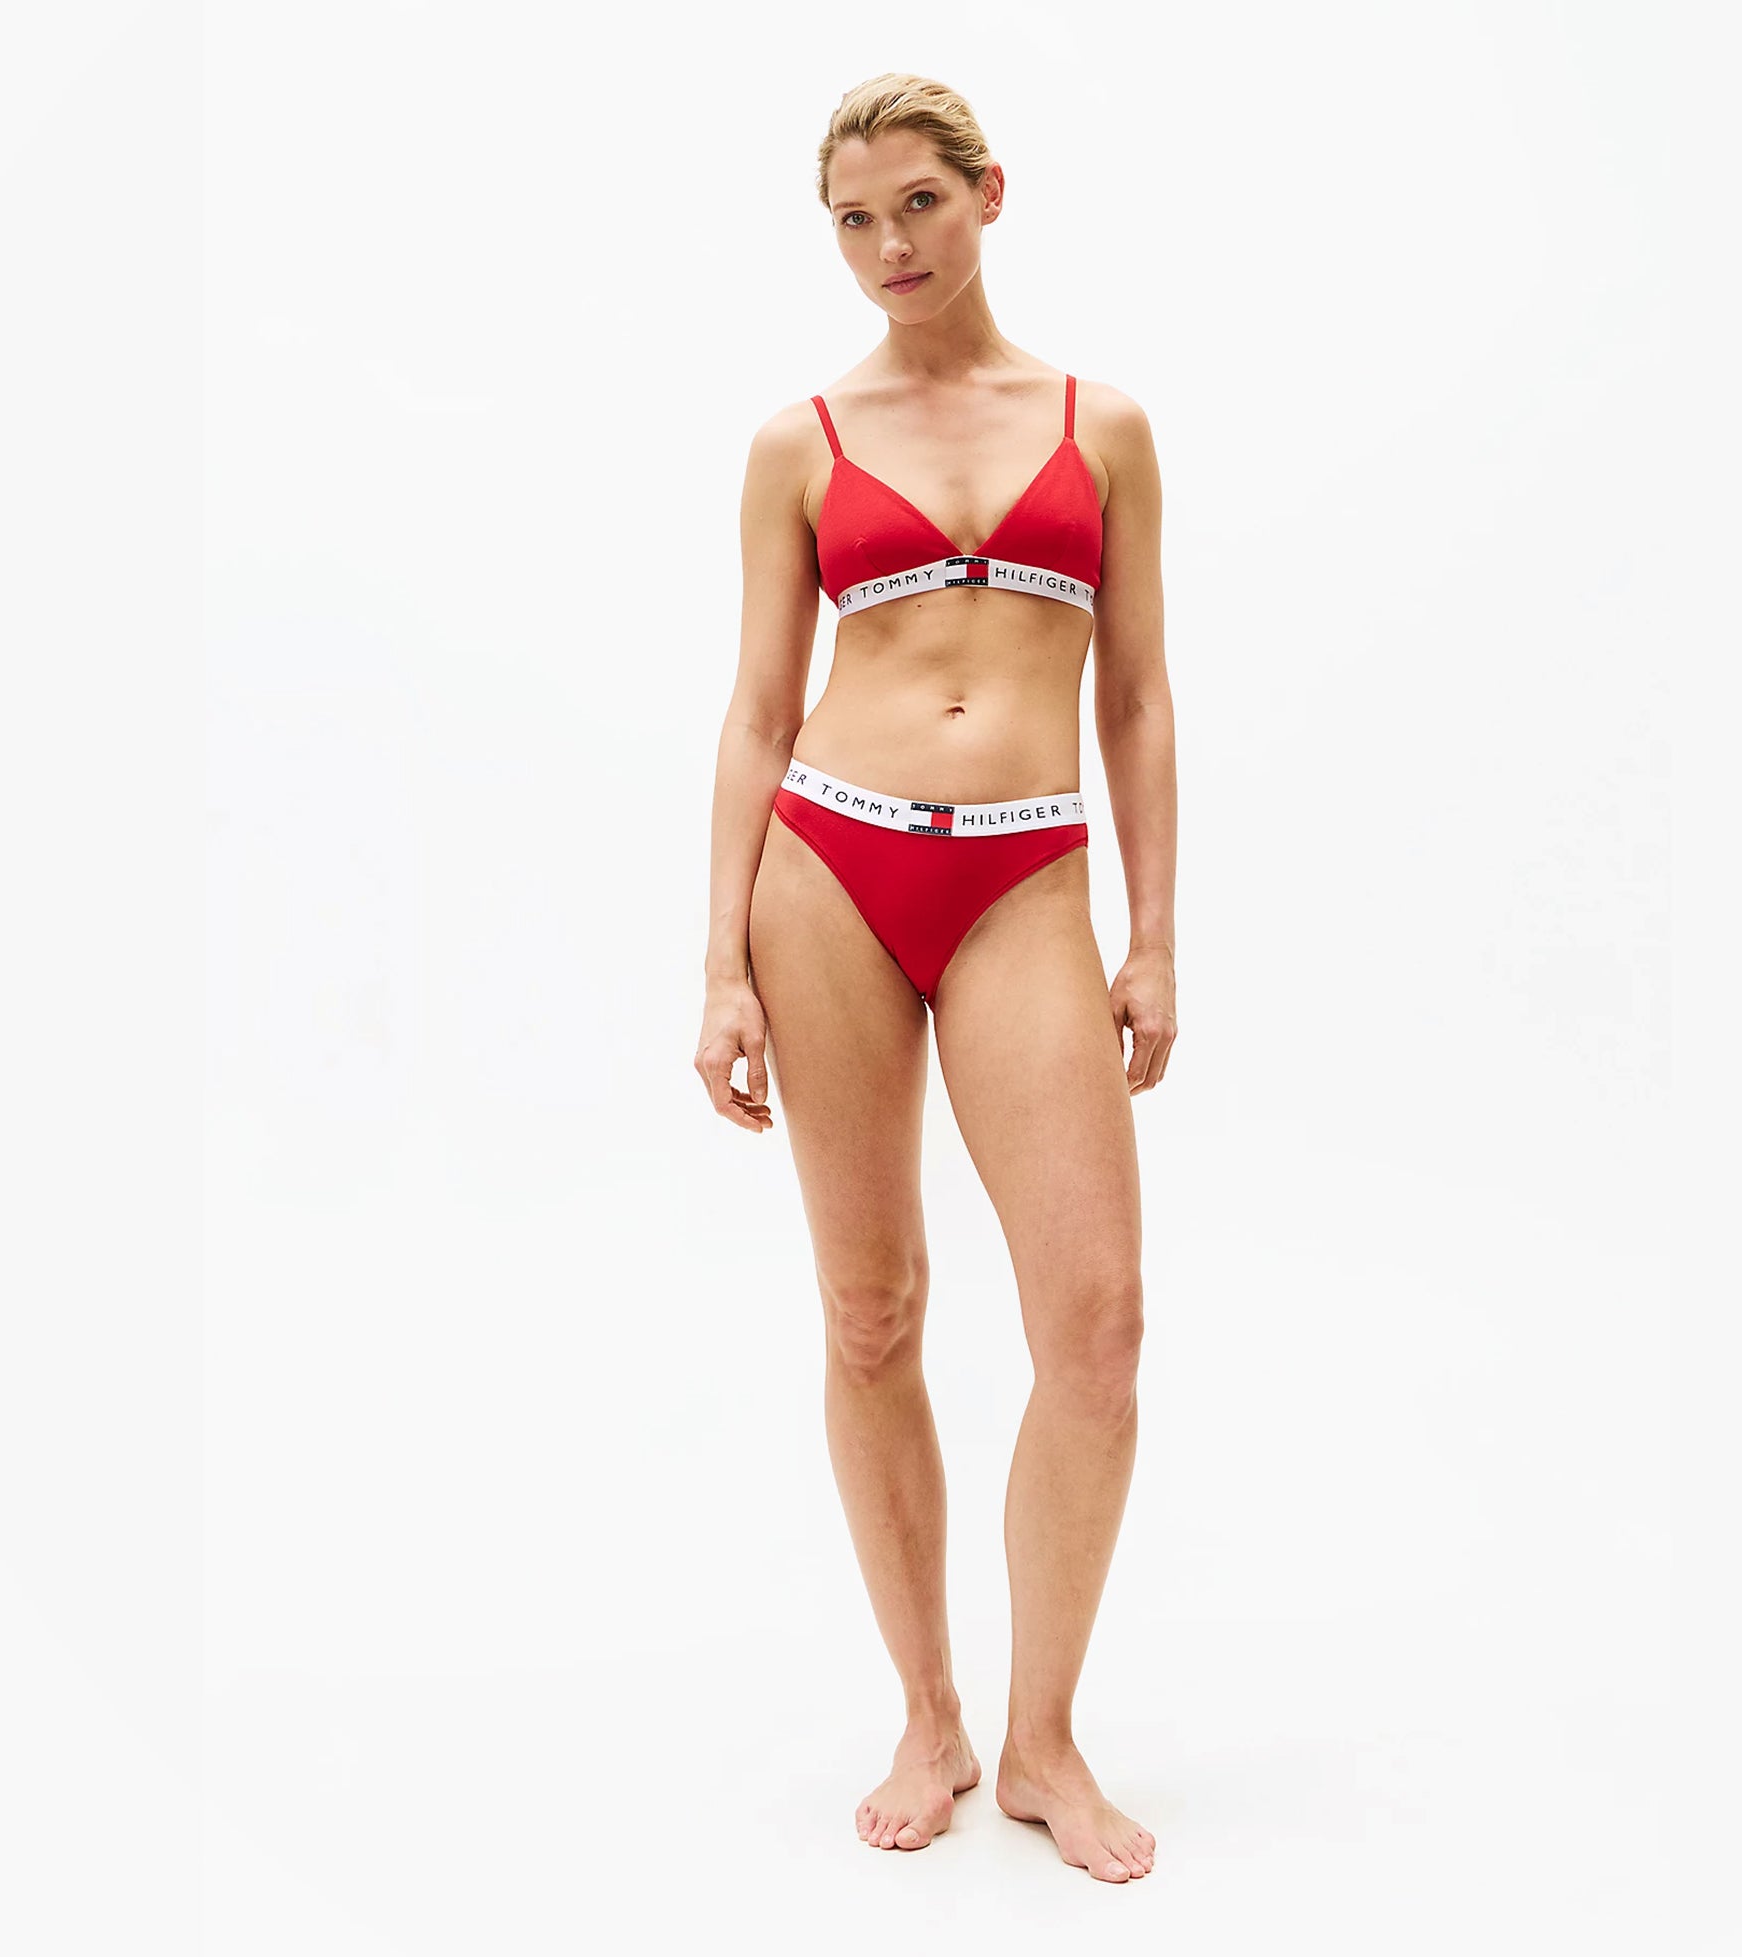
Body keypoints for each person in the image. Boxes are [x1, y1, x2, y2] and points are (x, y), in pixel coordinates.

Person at [693, 73, 1177, 1885]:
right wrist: (720, 961)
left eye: (918, 203)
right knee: (872, 1309)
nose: (888, 244)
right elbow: (756, 712)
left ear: (989, 195)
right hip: (827, 867)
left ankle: (1045, 1739)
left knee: (1097, 1324)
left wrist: (1156, 932)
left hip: (1026, 872)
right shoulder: (800, 442)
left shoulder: (1100, 425)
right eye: (853, 217)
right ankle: (931, 1714)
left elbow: (1138, 694)